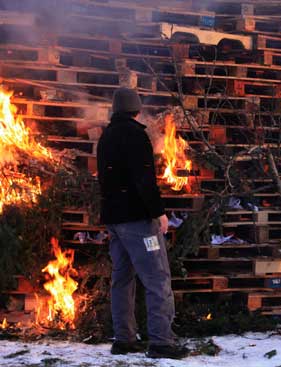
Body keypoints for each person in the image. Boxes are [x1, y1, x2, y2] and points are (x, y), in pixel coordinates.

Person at [97, 88, 187, 359]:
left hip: (114, 220)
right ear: (136, 110)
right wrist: (158, 212)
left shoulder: (106, 136)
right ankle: (161, 342)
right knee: (157, 278)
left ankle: (124, 339)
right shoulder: (136, 135)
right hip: (137, 219)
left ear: (115, 110)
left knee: (122, 278)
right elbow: (144, 179)